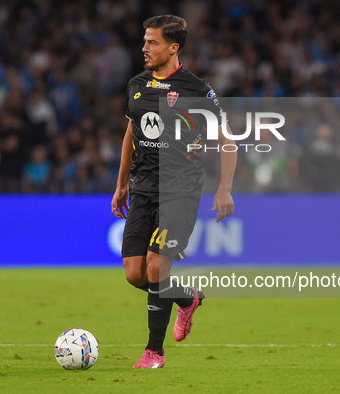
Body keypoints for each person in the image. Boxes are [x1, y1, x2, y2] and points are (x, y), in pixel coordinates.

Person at [111, 15, 237, 369]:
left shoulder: (197, 90)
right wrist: (121, 184)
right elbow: (131, 134)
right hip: (142, 190)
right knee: (134, 273)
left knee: (155, 265)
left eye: (152, 42)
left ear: (173, 47)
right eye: (144, 41)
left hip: (180, 193)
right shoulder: (137, 84)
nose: (144, 48)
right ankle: (188, 298)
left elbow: (228, 142)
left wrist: (224, 189)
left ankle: (154, 351)